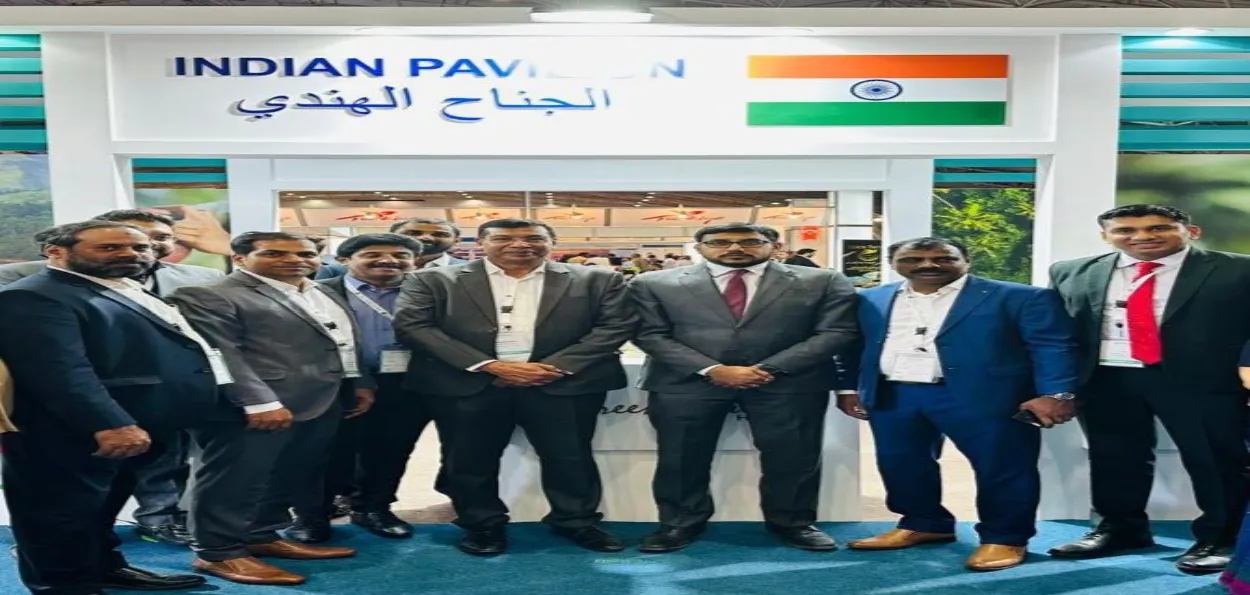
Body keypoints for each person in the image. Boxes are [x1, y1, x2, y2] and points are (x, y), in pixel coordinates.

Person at [0, 221, 223, 595]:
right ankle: (62, 587)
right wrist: (108, 423)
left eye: (140, 247)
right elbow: (57, 370)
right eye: (109, 247)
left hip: (138, 423)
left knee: (100, 509)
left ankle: (103, 568)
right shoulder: (34, 296)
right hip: (75, 430)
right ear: (55, 251)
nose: (130, 254)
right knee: (59, 516)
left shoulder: (119, 286)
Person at [394, 218, 637, 555]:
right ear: (482, 243)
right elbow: (414, 327)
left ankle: (576, 521)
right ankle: (482, 525)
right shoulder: (432, 279)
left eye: (533, 238)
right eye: (504, 238)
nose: (520, 244)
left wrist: (554, 367)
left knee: (570, 456)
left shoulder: (598, 279)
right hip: (468, 382)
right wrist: (489, 365)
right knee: (469, 458)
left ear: (551, 243)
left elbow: (616, 326)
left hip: (562, 382)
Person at [838, 237, 1079, 571]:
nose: (927, 265)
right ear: (893, 263)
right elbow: (853, 345)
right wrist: (848, 387)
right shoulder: (870, 298)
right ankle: (924, 523)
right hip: (894, 393)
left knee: (1002, 466)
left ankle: (1005, 537)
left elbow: (1052, 345)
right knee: (901, 463)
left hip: (988, 394)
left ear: (966, 260)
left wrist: (1057, 393)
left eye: (943, 258)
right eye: (913, 259)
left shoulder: (1020, 297)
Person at [628, 223, 859, 553]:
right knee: (680, 458)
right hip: (686, 382)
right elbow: (648, 334)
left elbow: (836, 332)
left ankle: (793, 522)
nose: (735, 248)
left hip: (789, 382)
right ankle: (679, 523)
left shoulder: (823, 280)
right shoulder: (653, 283)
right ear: (699, 247)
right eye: (720, 242)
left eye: (750, 241)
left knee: (794, 456)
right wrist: (713, 369)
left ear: (774, 245)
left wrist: (770, 368)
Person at [1047, 204, 1250, 574]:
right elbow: (1057, 331)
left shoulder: (1239, 269)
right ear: (1106, 236)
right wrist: (1057, 386)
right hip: (1106, 378)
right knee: (1113, 457)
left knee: (1215, 460)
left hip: (1202, 381)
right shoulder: (1070, 271)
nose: (1142, 237)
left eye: (1158, 228)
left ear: (1191, 231)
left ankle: (1223, 538)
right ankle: (1120, 529)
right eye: (1125, 230)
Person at [168, 232, 375, 585]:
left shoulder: (321, 290)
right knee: (233, 479)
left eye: (306, 254)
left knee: (287, 474)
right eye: (275, 253)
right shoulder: (208, 294)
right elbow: (219, 352)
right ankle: (218, 552)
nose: (294, 260)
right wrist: (258, 401)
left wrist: (358, 382)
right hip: (253, 406)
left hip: (321, 399)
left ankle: (260, 535)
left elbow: (342, 342)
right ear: (240, 258)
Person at [314, 233, 450, 541]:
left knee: (392, 449)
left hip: (409, 382)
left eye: (401, 255)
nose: (388, 260)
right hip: (339, 382)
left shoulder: (433, 290)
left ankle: (374, 508)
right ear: (344, 260)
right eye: (372, 254)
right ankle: (315, 513)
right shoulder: (317, 292)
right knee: (330, 451)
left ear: (415, 261)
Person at [316, 217, 467, 279]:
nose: (425, 238)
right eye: (414, 233)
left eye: (439, 234)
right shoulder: (335, 271)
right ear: (392, 235)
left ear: (456, 240)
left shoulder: (471, 270)